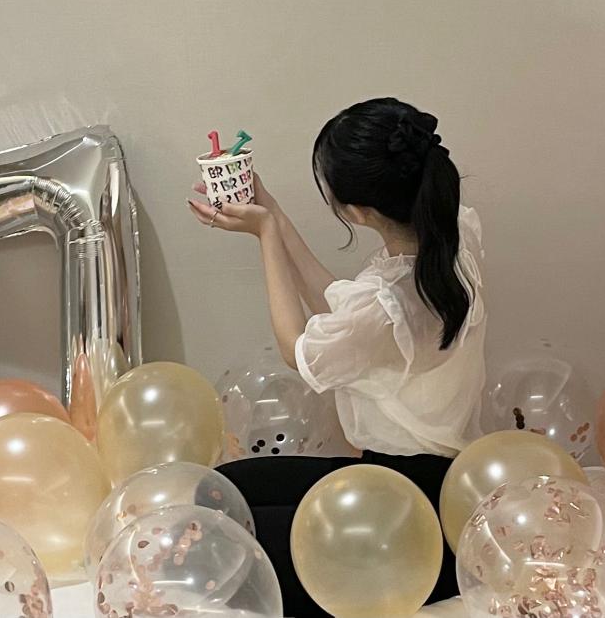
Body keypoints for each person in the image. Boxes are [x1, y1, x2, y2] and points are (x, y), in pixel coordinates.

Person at [188, 97, 486, 614]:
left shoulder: (386, 302)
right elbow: (343, 311)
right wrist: (272, 214)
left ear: (360, 212)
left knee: (221, 545)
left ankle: (393, 575)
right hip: (424, 480)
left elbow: (297, 348)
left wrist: (265, 237)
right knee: (219, 493)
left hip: (410, 516)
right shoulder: (452, 237)